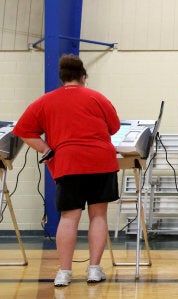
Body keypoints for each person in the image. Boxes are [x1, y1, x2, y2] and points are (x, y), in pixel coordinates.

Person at [12, 54, 121, 287]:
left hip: (68, 162)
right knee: (98, 215)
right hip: (101, 161)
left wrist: (46, 149)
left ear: (62, 78)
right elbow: (114, 127)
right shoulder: (97, 98)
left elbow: (23, 130)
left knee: (69, 217)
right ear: (84, 77)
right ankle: (94, 269)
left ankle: (64, 272)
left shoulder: (45, 101)